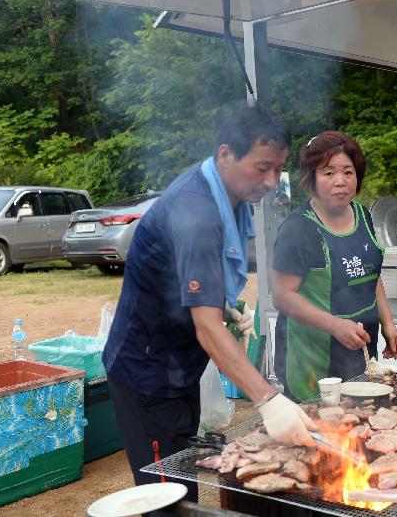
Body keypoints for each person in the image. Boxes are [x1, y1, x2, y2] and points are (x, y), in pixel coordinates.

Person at [103, 102, 316, 509]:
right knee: (167, 499)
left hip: (178, 368)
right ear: (225, 154)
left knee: (185, 483)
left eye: (278, 168)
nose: (272, 181)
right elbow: (205, 327)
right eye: (262, 167)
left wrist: (225, 304)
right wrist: (269, 400)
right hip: (148, 377)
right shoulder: (197, 211)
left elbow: (200, 286)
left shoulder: (226, 195)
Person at [271, 131, 397, 401]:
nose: (340, 182)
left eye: (348, 172)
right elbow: (283, 297)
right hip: (313, 358)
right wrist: (335, 326)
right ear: (312, 180)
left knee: (360, 423)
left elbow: (371, 274)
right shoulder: (299, 229)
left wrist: (387, 321)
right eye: (328, 173)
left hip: (361, 347)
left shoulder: (363, 216)